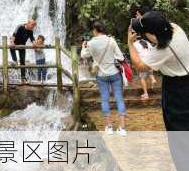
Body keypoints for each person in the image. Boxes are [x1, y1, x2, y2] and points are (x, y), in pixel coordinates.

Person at [128, 11, 189, 170]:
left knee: (178, 134)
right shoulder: (175, 28)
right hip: (184, 79)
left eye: (143, 33)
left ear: (154, 36)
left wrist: (130, 44)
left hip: (178, 91)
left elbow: (140, 65)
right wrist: (146, 22)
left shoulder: (164, 50)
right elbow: (158, 28)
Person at [81, 20, 127, 136]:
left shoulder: (91, 43)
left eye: (93, 30)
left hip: (101, 75)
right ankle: (122, 128)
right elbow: (120, 56)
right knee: (119, 98)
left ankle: (109, 127)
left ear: (95, 30)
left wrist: (83, 47)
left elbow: (84, 55)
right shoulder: (111, 40)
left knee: (105, 99)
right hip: (115, 74)